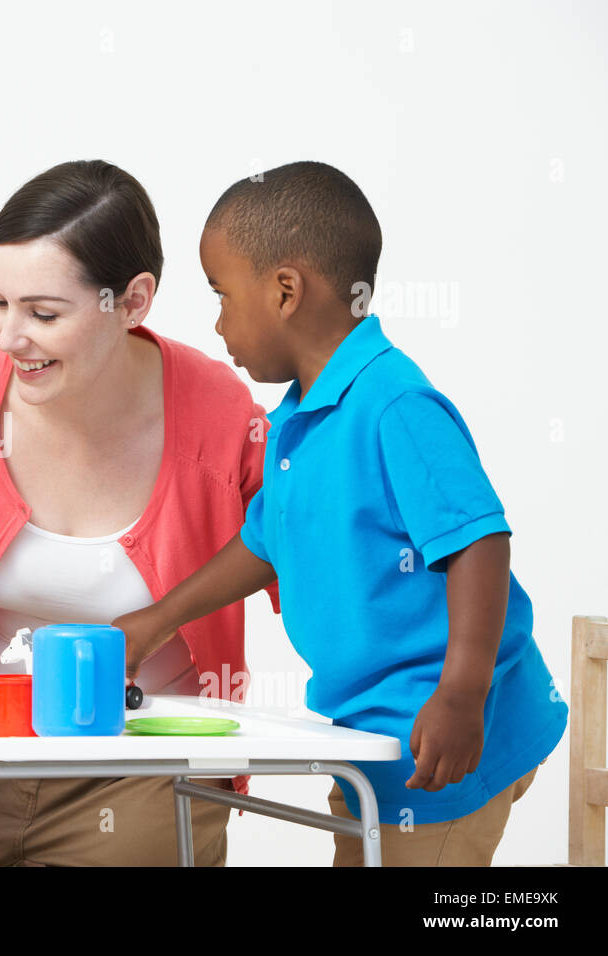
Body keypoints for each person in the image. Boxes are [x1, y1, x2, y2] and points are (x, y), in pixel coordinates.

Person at [114, 161, 568, 866]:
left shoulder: (393, 404)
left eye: (223, 295)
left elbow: (480, 540)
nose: (219, 323)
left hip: (442, 746)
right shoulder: (301, 418)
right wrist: (156, 619)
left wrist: (461, 694)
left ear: (285, 291)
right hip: (368, 745)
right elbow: (266, 542)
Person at [0, 160, 279, 866]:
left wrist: (464, 687)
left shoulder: (219, 417)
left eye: (44, 314)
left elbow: (316, 569)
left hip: (145, 769)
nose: (8, 337)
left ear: (133, 300)